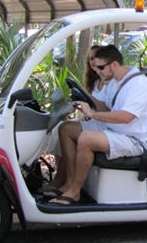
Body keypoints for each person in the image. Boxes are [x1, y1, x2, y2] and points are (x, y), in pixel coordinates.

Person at [49, 45, 147, 205]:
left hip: (132, 139)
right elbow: (105, 108)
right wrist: (85, 100)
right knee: (66, 129)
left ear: (113, 65)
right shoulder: (113, 81)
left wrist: (92, 115)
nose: (97, 71)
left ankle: (75, 191)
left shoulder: (138, 84)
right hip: (114, 130)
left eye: (100, 67)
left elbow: (126, 117)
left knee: (86, 138)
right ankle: (69, 183)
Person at [40, 45, 104, 195]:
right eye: (91, 58)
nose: (93, 62)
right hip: (94, 120)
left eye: (97, 58)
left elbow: (104, 108)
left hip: (104, 124)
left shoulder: (109, 81)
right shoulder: (95, 82)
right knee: (58, 128)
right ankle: (60, 178)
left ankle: (68, 182)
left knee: (66, 129)